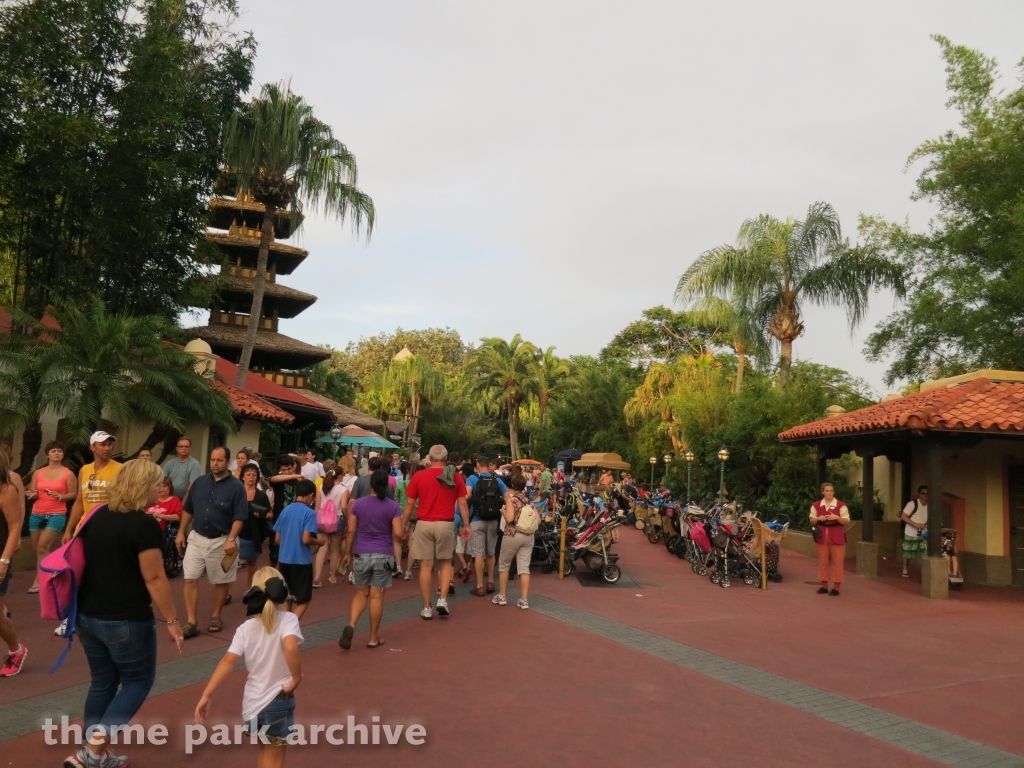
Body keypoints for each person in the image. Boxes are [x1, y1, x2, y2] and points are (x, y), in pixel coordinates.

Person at [64, 459, 183, 768]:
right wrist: (172, 620)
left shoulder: (97, 515)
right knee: (137, 682)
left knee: (102, 682)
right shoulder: (143, 524)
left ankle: (91, 753)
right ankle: (93, 750)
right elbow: (154, 577)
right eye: (157, 483)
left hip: (88, 614)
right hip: (126, 618)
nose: (161, 487)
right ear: (143, 487)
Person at [196, 567, 301, 768]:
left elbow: (227, 661)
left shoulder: (244, 628)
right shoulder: (288, 620)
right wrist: (296, 678)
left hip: (252, 703)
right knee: (275, 756)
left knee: (264, 752)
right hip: (277, 698)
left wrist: (206, 695)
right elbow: (290, 648)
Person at [176, 446, 248, 638]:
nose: (215, 463)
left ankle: (216, 615)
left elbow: (240, 516)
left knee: (221, 580)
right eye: (212, 460)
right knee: (190, 577)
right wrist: (181, 532)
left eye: (219, 460)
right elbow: (188, 509)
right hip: (197, 538)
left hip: (223, 539)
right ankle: (191, 621)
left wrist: (231, 539)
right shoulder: (199, 483)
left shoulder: (236, 487)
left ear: (227, 461)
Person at [401, 445, 470, 620]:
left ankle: (426, 607)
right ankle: (442, 599)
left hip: (424, 523)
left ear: (429, 459)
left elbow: (409, 504)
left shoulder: (419, 476)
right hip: (446, 524)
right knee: (446, 563)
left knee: (425, 565)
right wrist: (466, 525)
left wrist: (405, 523)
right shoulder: (454, 476)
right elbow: (462, 503)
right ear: (446, 459)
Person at [339, 469, 404, 650]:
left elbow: (351, 531)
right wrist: (403, 534)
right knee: (377, 596)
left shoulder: (359, 504)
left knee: (360, 593)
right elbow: (398, 533)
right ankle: (373, 637)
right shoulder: (392, 506)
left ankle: (351, 624)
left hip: (361, 552)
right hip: (384, 553)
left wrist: (347, 554)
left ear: (370, 486)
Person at [26, 440, 77, 593]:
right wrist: (32, 494)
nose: (57, 453)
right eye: (53, 451)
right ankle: (55, 569)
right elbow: (33, 491)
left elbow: (74, 493)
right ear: (47, 454)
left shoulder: (68, 473)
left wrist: (61, 497)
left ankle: (39, 580)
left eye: (60, 451)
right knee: (38, 549)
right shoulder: (38, 472)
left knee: (43, 547)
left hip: (56, 513)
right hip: (37, 513)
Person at [273, 479, 322, 620]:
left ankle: (285, 624)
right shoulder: (309, 513)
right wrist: (319, 541)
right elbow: (306, 538)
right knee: (303, 598)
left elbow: (277, 538)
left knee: (288, 597)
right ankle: (291, 625)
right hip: (301, 561)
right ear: (311, 495)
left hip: (284, 559)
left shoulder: (285, 510)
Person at [64, 432, 123, 543]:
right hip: (85, 526)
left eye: (109, 445)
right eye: (102, 445)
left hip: (109, 526)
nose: (107, 448)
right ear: (92, 447)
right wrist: (68, 530)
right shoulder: (84, 470)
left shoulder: (121, 469)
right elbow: (79, 502)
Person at [465, 455, 511, 596]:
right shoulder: (497, 480)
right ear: (489, 465)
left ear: (478, 465)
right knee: (490, 552)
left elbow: (467, 496)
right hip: (493, 519)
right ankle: (490, 582)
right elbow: (507, 497)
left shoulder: (472, 478)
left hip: (477, 519)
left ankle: (479, 585)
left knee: (478, 553)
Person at [0, 448, 26, 678]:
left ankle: (16, 651)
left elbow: (15, 527)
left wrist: (4, 560)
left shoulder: (6, 490)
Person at [493, 473, 535, 609]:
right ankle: (524, 600)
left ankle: (502, 596)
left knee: (504, 564)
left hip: (513, 534)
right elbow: (538, 519)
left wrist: (503, 512)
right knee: (524, 568)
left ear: (512, 485)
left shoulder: (511, 500)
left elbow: (510, 519)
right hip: (528, 536)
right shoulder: (529, 501)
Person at [809, 482, 851, 596]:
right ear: (822, 492)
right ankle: (824, 586)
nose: (829, 493)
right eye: (827, 491)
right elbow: (812, 520)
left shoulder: (841, 505)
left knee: (837, 562)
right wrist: (818, 518)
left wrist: (837, 517)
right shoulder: (816, 505)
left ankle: (836, 587)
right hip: (822, 535)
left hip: (837, 534)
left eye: (831, 491)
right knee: (823, 561)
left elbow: (846, 521)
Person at [237, 464, 272, 591]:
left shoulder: (261, 495)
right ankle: (227, 591)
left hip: (253, 533)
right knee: (230, 563)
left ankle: (250, 588)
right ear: (243, 477)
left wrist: (261, 515)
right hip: (236, 533)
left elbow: (270, 513)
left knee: (252, 562)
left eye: (254, 475)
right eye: (248, 474)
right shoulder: (236, 493)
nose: (251, 477)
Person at [268, 454, 305, 568]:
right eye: (283, 470)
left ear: (293, 466)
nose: (286, 472)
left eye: (289, 469)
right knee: (274, 551)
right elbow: (273, 479)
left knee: (291, 550)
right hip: (279, 518)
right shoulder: (279, 480)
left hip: (294, 519)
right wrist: (294, 476)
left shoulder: (298, 482)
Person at [313, 468, 345, 587]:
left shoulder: (322, 487)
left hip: (321, 519)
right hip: (337, 519)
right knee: (334, 549)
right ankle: (332, 575)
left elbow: (317, 505)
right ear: (340, 476)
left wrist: (315, 519)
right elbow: (344, 507)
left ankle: (317, 576)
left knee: (322, 548)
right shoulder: (343, 489)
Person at [162, 436, 202, 501]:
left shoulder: (194, 464)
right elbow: (162, 482)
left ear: (190, 449)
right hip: (168, 499)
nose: (184, 448)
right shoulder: (169, 463)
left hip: (186, 499)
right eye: (181, 446)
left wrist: (183, 503)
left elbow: (191, 486)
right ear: (177, 448)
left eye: (186, 447)